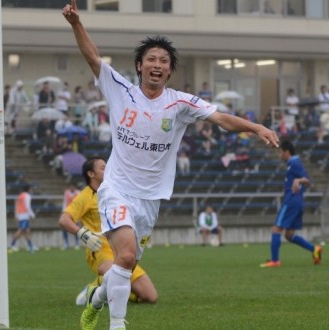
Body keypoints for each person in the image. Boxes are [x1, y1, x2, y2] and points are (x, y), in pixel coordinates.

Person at [62, 2, 279, 328]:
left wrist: (256, 127)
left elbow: (220, 118)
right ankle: (117, 324)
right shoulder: (121, 90)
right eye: (151, 59)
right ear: (139, 65)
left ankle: (95, 299)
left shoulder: (180, 103)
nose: (157, 65)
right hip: (117, 189)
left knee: (127, 262)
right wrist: (76, 23)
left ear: (169, 70)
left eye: (164, 61)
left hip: (150, 199)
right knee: (123, 257)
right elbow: (93, 57)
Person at [58, 158, 158, 306]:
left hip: (121, 249)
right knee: (114, 277)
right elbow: (64, 219)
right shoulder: (86, 196)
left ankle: (101, 290)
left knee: (150, 297)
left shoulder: (115, 192)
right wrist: (83, 234)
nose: (108, 170)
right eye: (103, 168)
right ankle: (94, 290)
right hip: (100, 250)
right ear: (91, 174)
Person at [260, 140, 322, 268]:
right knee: (289, 235)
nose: (279, 155)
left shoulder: (294, 163)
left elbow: (307, 181)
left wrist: (298, 180)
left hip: (291, 202)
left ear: (286, 152)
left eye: (280, 152)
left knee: (276, 229)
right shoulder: (293, 163)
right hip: (297, 202)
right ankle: (314, 249)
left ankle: (275, 261)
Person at [9, 185, 36, 253]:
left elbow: (17, 206)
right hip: (24, 216)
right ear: (29, 189)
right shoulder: (27, 196)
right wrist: (32, 214)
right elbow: (27, 206)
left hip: (20, 215)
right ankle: (12, 244)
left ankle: (31, 246)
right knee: (21, 230)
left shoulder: (20, 195)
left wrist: (16, 215)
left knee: (27, 231)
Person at [61, 183, 81, 250]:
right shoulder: (66, 193)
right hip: (67, 213)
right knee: (64, 228)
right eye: (70, 187)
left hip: (75, 213)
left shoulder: (78, 193)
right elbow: (64, 202)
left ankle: (77, 243)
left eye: (73, 187)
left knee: (75, 228)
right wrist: (63, 212)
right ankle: (66, 243)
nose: (72, 188)